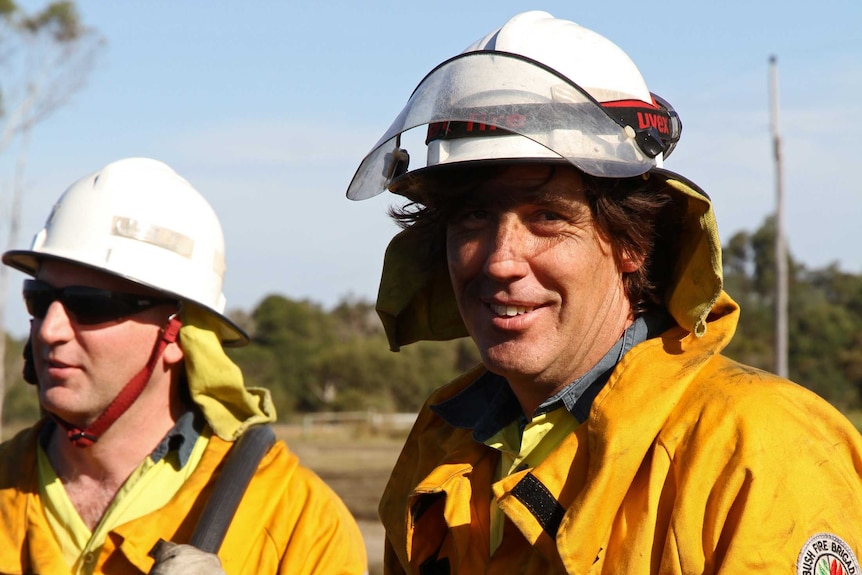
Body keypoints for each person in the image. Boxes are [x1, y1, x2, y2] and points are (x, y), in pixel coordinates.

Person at [346, 11, 862, 574]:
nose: (499, 261)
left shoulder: (758, 449)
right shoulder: (442, 435)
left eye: (546, 216)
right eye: (472, 216)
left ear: (632, 241)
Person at [0, 157, 367, 574]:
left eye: (90, 305)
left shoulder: (298, 525)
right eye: (40, 299)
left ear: (180, 332)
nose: (49, 330)